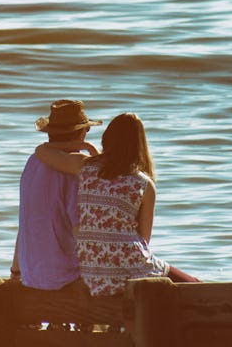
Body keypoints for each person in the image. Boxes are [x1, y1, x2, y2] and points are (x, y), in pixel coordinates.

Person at [34, 112, 199, 296]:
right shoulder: (144, 184)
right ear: (140, 145)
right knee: (195, 286)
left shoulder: (85, 167)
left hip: (93, 272)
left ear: (107, 139)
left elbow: (42, 150)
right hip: (129, 269)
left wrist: (84, 146)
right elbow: (144, 241)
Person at [11, 99, 102, 290]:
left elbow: (24, 222)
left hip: (30, 275)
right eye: (86, 130)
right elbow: (80, 230)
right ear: (80, 134)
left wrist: (16, 271)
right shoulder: (74, 168)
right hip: (63, 277)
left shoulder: (32, 163)